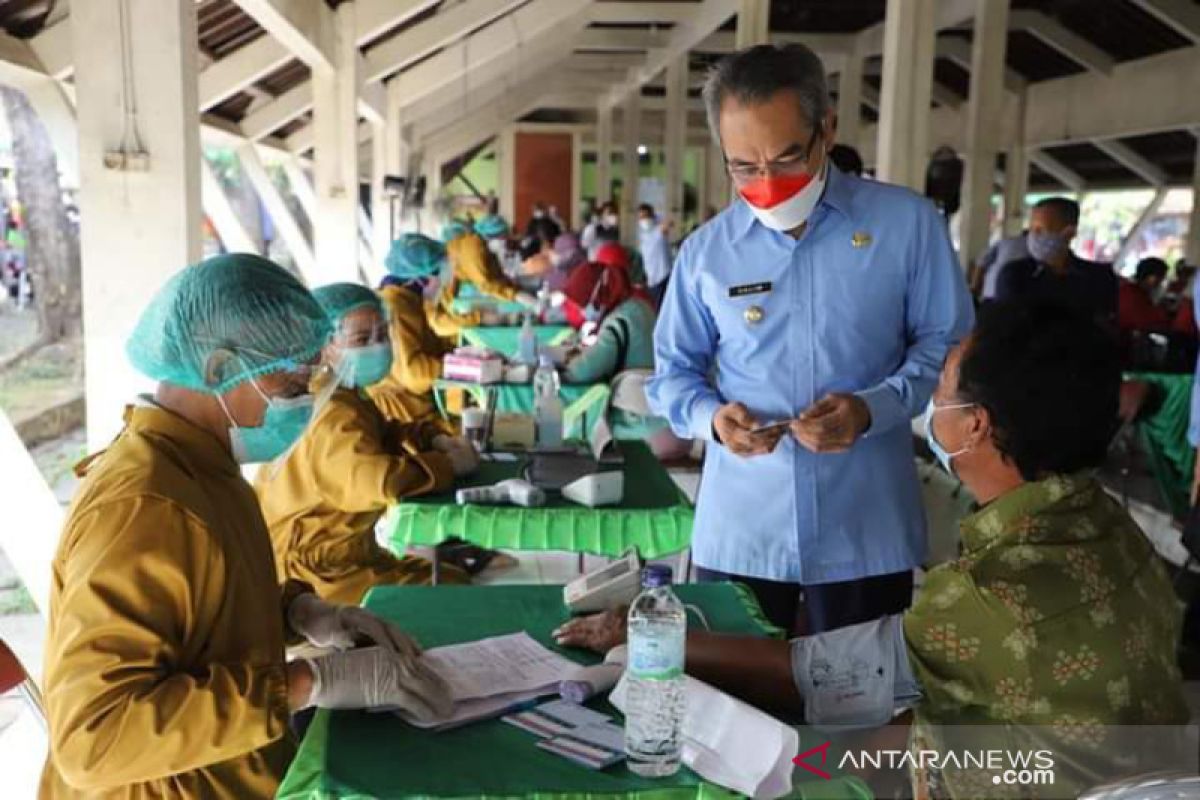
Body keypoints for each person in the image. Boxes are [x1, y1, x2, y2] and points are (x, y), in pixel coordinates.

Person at [560, 302, 1187, 798]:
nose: (933, 403)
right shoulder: (1107, 524)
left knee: (768, 758)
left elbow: (813, 676)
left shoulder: (992, 591)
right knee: (835, 749)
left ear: (976, 424)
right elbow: (944, 700)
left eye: (942, 387)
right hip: (1110, 768)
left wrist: (645, 633)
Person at [40, 255, 452, 797]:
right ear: (217, 368)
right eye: (293, 380)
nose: (308, 396)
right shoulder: (143, 507)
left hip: (235, 762)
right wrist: (306, 681)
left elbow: (201, 613)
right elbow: (96, 736)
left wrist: (299, 614)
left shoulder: (202, 466)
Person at [647, 43, 973, 635]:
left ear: (827, 129)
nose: (767, 182)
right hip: (744, 529)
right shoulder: (706, 253)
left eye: (787, 157)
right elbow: (672, 374)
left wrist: (872, 410)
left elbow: (947, 349)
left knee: (861, 715)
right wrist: (713, 420)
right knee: (734, 707)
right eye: (744, 166)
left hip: (865, 526)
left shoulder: (907, 227)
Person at [255, 282, 480, 605]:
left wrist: (431, 436)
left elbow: (383, 432)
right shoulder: (332, 411)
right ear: (325, 346)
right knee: (452, 594)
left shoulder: (339, 393)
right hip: (313, 576)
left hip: (347, 557)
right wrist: (445, 466)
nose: (377, 347)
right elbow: (376, 481)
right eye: (362, 340)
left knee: (451, 578)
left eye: (382, 335)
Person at [368, 234, 457, 427]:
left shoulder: (408, 301)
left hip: (413, 405)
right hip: (403, 413)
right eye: (439, 275)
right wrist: (459, 367)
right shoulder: (396, 307)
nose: (443, 282)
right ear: (421, 278)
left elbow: (428, 344)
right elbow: (413, 373)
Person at [995, 197, 1118, 324]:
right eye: (1031, 229)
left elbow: (1104, 329)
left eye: (1040, 230)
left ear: (1069, 233)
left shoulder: (1099, 278)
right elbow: (1006, 328)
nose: (1032, 236)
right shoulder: (1014, 274)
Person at [971, 229, 1030, 300]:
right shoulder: (1036, 248)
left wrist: (975, 287)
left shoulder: (1005, 242)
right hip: (1014, 297)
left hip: (991, 292)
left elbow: (981, 261)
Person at [1118, 256, 1171, 334]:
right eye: (1160, 277)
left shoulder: (1138, 292)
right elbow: (1144, 322)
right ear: (1150, 276)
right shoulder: (1132, 294)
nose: (1161, 282)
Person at [637, 203, 673, 307]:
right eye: (641, 217)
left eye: (646, 216)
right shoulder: (643, 234)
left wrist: (656, 217)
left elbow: (669, 223)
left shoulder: (659, 230)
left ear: (652, 216)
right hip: (651, 279)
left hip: (664, 276)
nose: (643, 220)